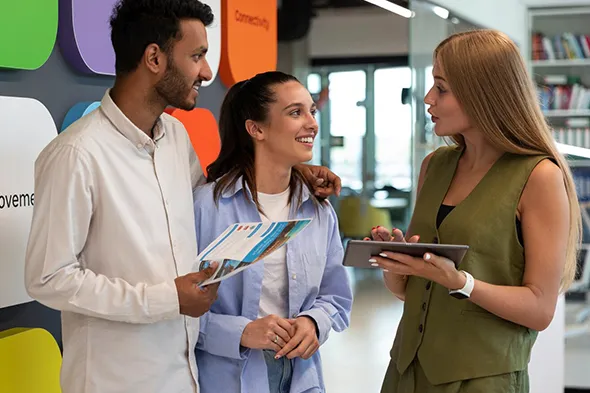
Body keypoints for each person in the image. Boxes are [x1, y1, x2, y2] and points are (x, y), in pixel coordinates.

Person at [23, 1, 341, 392]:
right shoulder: (77, 154)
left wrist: (294, 169)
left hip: (185, 376)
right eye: (197, 56)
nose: (206, 72)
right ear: (154, 58)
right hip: (114, 380)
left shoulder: (175, 137)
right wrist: (166, 299)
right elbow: (48, 278)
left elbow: (212, 198)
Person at [369, 29, 581, 393]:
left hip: (483, 378)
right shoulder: (434, 165)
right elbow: (414, 292)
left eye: (442, 88)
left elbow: (539, 309)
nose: (428, 98)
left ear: (482, 93)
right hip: (407, 370)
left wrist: (461, 282)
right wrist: (397, 265)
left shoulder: (538, 176)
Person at [192, 71, 353, 393]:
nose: (311, 123)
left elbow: (335, 297)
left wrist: (313, 322)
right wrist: (240, 332)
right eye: (296, 113)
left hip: (301, 378)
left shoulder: (318, 210)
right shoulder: (206, 207)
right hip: (226, 378)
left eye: (312, 111)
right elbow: (175, 307)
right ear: (256, 129)